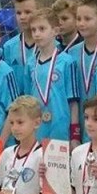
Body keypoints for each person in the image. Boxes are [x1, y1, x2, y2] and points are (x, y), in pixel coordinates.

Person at [22, 9, 81, 149]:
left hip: (60, 129)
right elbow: (27, 102)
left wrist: (75, 135)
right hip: (36, 129)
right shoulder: (30, 64)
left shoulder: (67, 62)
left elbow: (73, 102)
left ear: (55, 31)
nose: (37, 34)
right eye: (33, 30)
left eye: (42, 29)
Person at [69, 0, 97, 104]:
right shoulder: (72, 52)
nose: (81, 23)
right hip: (79, 112)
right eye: (78, 19)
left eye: (87, 19)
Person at [2, 0, 50, 72]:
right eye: (18, 13)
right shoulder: (9, 47)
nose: (22, 17)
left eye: (27, 12)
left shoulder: (52, 44)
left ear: (40, 11)